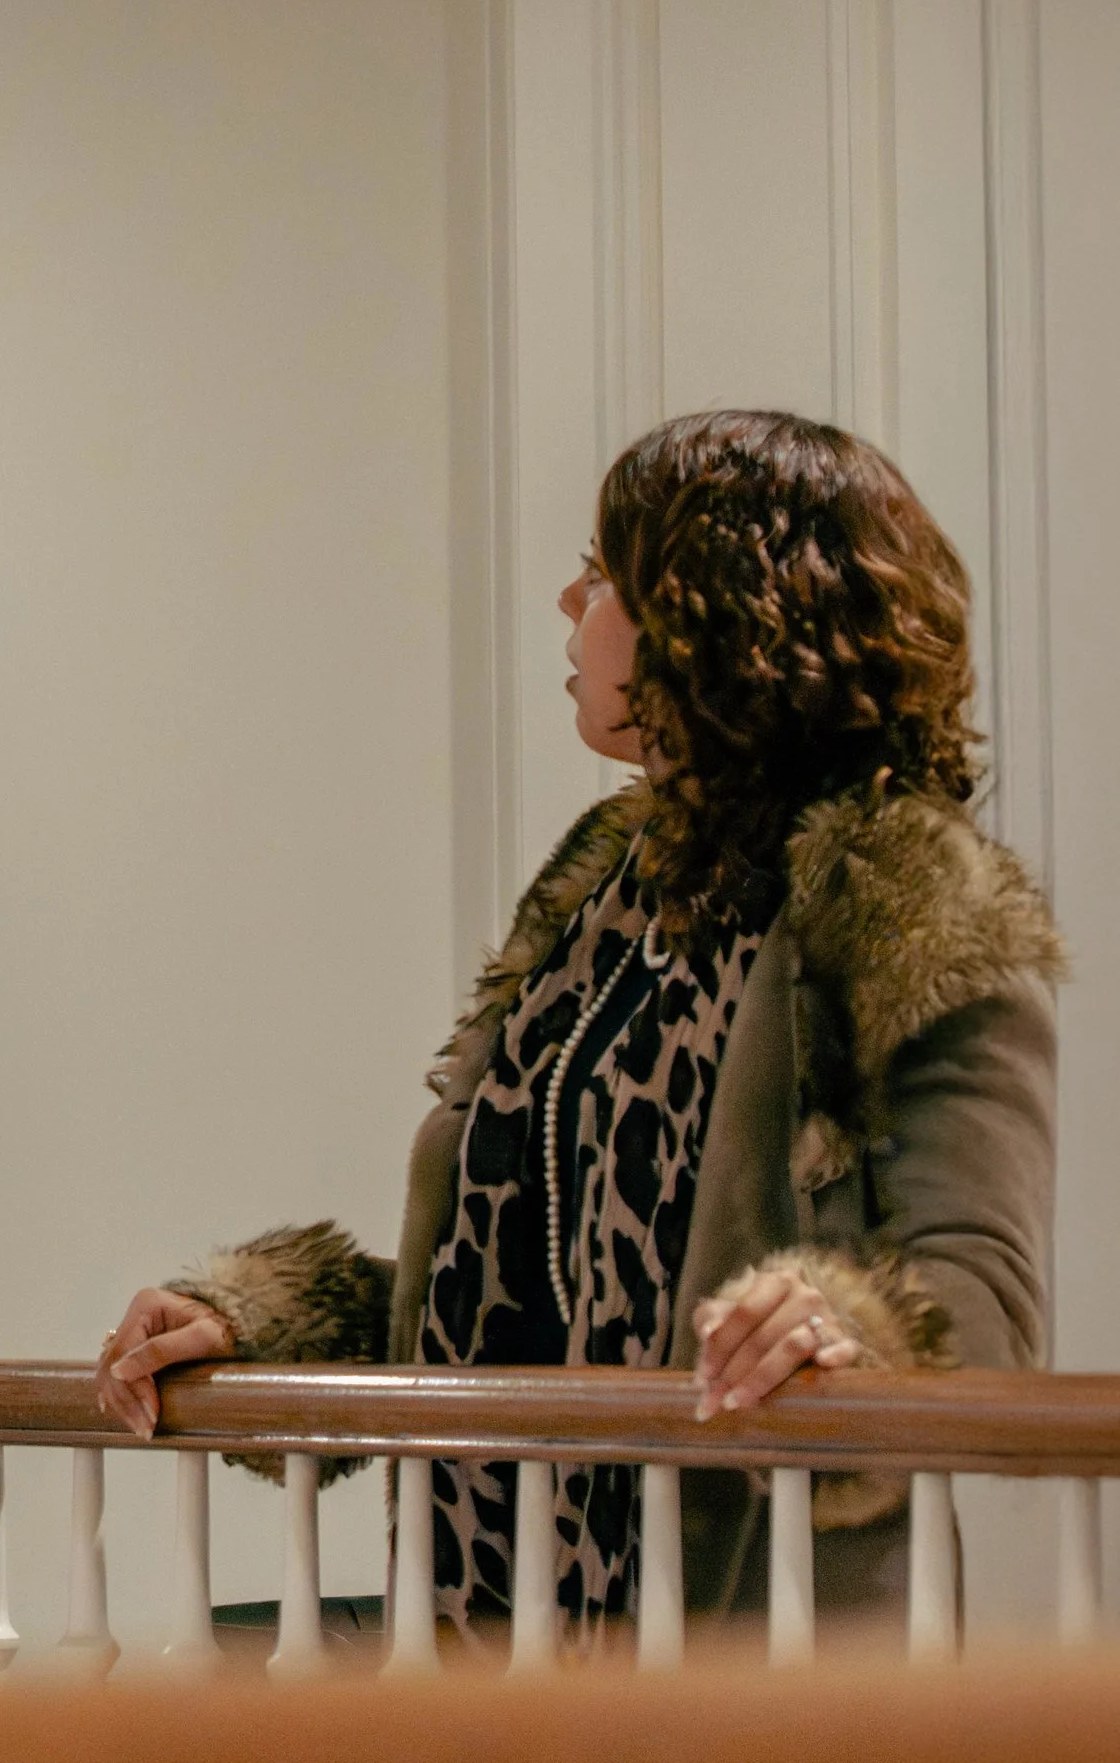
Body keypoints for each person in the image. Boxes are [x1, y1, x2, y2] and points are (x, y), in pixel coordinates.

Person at [96, 409, 1061, 1640]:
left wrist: (841, 1330)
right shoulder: (612, 873)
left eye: (602, 571)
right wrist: (271, 1316)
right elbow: (547, 1277)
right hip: (494, 1626)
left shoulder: (908, 891)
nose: (565, 598)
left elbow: (982, 1313)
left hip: (750, 1673)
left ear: (720, 611)